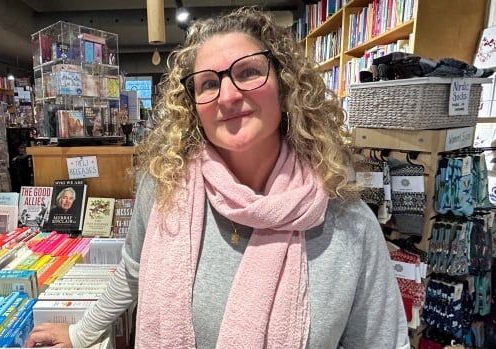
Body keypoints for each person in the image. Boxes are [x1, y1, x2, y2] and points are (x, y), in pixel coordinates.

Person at [26, 7, 409, 349]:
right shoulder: (165, 186)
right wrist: (79, 334)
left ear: (286, 84)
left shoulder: (348, 224)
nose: (227, 96)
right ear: (193, 106)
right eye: (208, 83)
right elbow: (132, 271)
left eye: (248, 72)